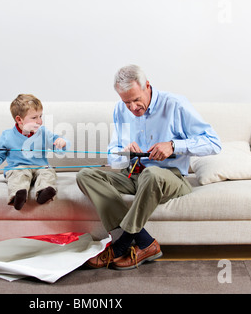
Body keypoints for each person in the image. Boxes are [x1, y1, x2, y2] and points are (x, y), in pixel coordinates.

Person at [76, 65, 221, 270]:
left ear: (147, 86)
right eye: (127, 102)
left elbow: (214, 143)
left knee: (152, 174)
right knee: (85, 175)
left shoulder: (175, 105)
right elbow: (113, 156)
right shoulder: (120, 110)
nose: (133, 107)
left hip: (169, 177)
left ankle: (121, 245)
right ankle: (145, 242)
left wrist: (173, 146)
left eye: (136, 100)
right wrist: (125, 153)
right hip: (133, 174)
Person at [0, 94, 69, 210]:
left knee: (48, 172)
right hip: (19, 168)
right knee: (18, 174)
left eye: (40, 116)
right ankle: (18, 195)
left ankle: (44, 192)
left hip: (40, 167)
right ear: (19, 119)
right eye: (34, 118)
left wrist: (62, 142)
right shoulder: (7, 136)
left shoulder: (43, 132)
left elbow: (57, 145)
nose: (40, 121)